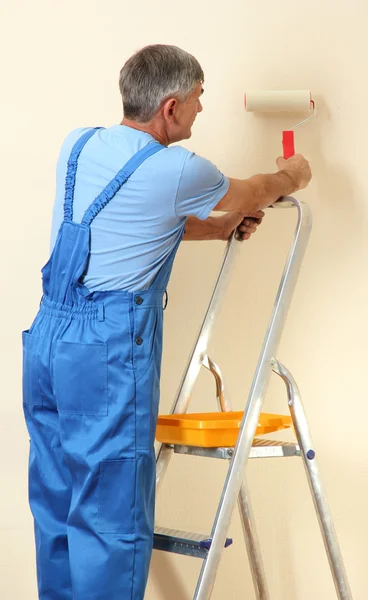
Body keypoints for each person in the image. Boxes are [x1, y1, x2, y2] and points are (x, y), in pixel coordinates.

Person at [22, 44, 312, 600]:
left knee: (57, 500)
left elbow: (129, 229)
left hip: (50, 340)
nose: (203, 110)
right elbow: (253, 191)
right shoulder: (180, 168)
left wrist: (220, 229)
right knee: (110, 515)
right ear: (172, 107)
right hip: (106, 350)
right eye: (199, 99)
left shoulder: (78, 146)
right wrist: (291, 176)